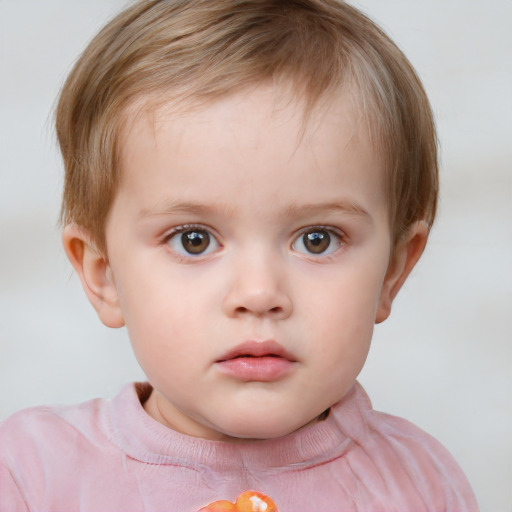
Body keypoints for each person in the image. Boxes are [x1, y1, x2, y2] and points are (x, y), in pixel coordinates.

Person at [0, 0, 479, 510]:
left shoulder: (421, 484)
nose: (258, 293)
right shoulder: (31, 473)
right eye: (194, 240)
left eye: (317, 239)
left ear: (393, 272)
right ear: (104, 275)